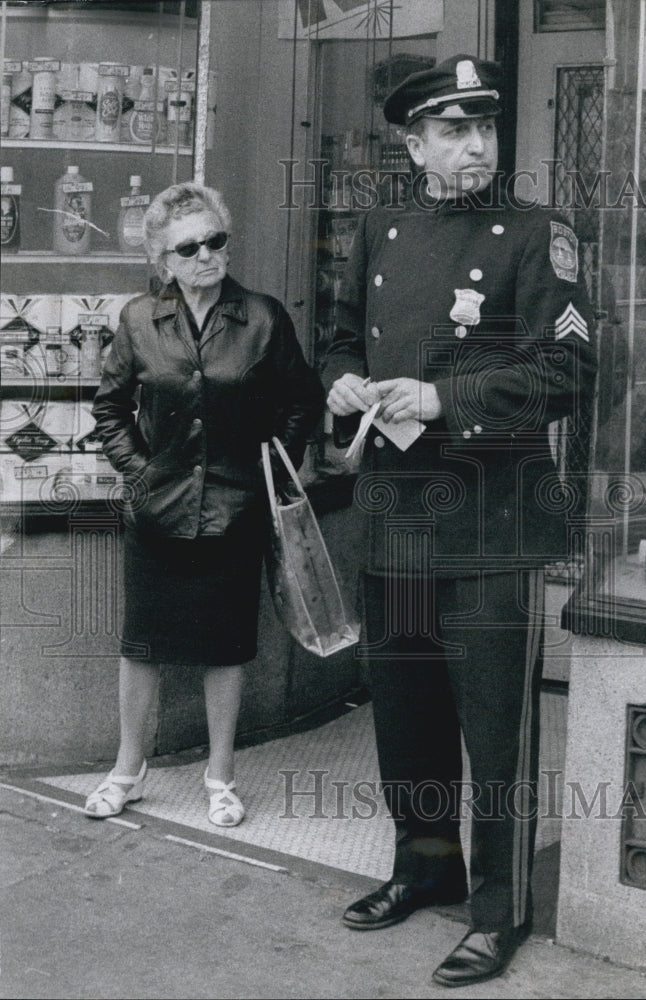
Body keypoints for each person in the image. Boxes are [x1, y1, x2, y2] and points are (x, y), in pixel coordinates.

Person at [322, 55, 597, 987]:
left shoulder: (535, 236)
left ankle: (498, 909)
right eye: (452, 129)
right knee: (404, 711)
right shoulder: (380, 228)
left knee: (494, 729)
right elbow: (335, 337)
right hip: (396, 515)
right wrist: (342, 383)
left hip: (491, 519)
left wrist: (442, 399)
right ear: (413, 144)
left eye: (482, 126)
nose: (475, 143)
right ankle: (423, 864)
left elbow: (566, 376)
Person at [85, 182, 324, 826]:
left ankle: (221, 776)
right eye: (187, 248)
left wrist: (267, 474)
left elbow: (302, 400)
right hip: (156, 511)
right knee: (142, 646)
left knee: (227, 647)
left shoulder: (263, 317)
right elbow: (110, 408)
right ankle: (126, 771)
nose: (205, 257)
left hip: (234, 509)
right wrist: (141, 474)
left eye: (215, 241)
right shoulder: (139, 319)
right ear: (161, 260)